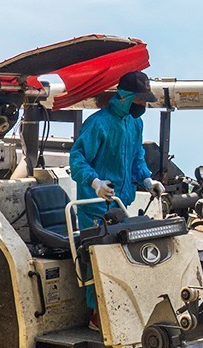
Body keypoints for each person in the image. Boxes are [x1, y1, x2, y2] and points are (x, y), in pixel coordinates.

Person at [69, 70, 166, 324]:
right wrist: (95, 182)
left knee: (120, 260)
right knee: (98, 258)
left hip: (121, 205)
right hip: (93, 206)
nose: (144, 105)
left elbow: (136, 158)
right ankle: (96, 316)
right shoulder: (98, 123)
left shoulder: (135, 123)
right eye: (141, 99)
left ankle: (117, 311)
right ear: (125, 96)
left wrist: (147, 179)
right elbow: (77, 159)